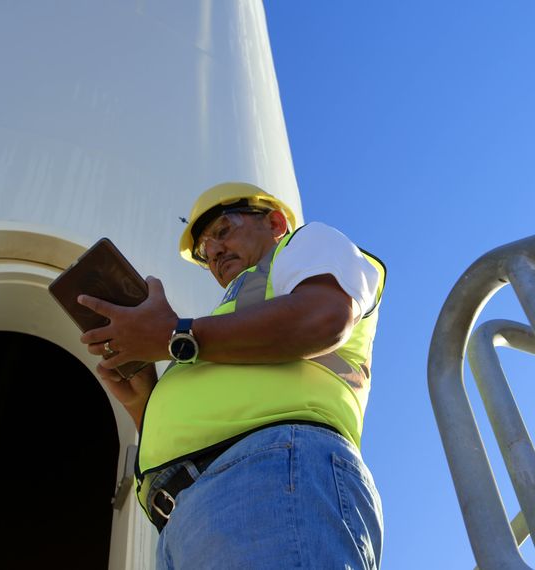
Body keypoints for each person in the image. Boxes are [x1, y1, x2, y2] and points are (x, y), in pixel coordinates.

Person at [76, 182, 386, 569]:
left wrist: (173, 336)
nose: (215, 251)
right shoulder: (221, 329)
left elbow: (322, 317)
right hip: (186, 519)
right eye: (205, 251)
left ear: (275, 222)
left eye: (223, 231)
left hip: (268, 477)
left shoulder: (308, 244)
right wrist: (144, 401)